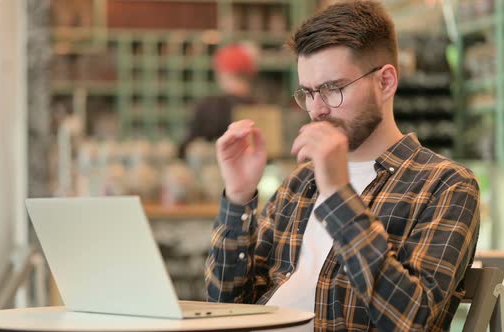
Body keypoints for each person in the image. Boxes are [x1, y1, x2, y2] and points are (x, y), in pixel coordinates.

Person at [205, 1, 480, 331]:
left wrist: (338, 194)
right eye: (307, 93)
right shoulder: (301, 182)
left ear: (386, 82)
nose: (317, 109)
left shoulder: (445, 185)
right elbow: (225, 307)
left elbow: (410, 320)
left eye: (332, 89)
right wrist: (237, 198)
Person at [178, 43, 257, 159]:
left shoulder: (208, 106)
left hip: (211, 172)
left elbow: (186, 148)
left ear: (222, 73)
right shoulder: (261, 107)